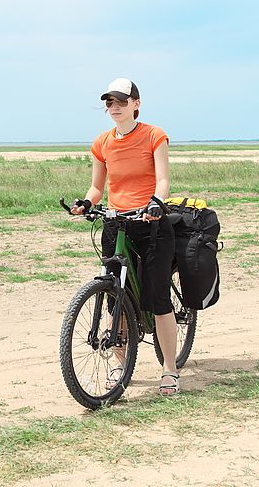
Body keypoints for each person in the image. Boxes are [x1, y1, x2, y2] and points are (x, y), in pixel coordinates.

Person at [71, 77, 179, 396]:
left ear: (136, 104)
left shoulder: (154, 136)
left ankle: (170, 369)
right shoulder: (102, 142)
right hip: (117, 223)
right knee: (114, 295)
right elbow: (96, 187)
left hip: (151, 222)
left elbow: (162, 181)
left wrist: (156, 204)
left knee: (157, 297)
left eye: (120, 101)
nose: (114, 107)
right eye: (109, 102)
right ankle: (120, 364)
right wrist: (86, 203)